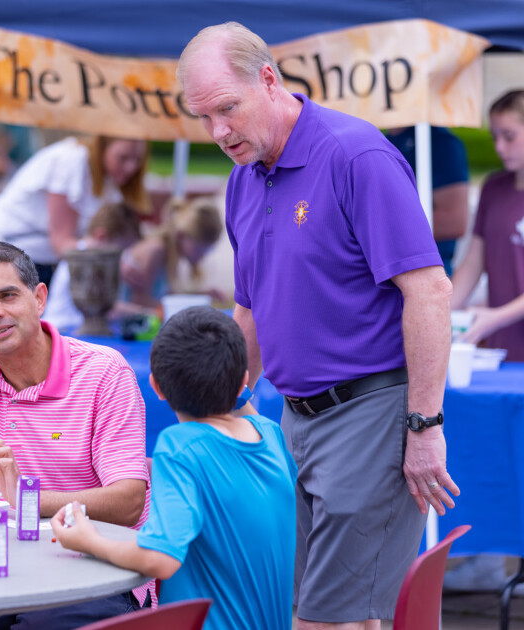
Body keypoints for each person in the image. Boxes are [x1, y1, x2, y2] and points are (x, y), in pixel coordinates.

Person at [178, 23, 456, 629]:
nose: (218, 132)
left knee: (325, 621)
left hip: (372, 413)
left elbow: (430, 291)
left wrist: (425, 425)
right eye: (203, 117)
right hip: (292, 419)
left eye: (228, 108)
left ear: (269, 80)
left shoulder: (356, 155)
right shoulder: (241, 179)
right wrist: (225, 404)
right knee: (302, 609)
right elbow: (248, 310)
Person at [0, 241, 154, 626]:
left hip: (99, 576)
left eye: (7, 295)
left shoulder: (104, 373)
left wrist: (24, 499)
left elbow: (129, 501)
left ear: (39, 298)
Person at [53, 306, 296, 630]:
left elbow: (160, 558)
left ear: (156, 387)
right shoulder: (270, 435)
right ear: (244, 383)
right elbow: (235, 431)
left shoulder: (179, 447)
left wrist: (88, 540)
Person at [0, 135, 151, 285]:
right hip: (0, 256)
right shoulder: (72, 160)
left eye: (137, 160)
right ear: (102, 146)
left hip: (34, 259)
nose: (131, 167)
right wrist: (110, 254)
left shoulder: (110, 183)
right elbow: (61, 244)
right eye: (123, 158)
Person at [451, 90, 524, 361]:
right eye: (495, 137)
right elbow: (473, 262)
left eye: (509, 136)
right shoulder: (493, 188)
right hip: (501, 349)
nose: (499, 148)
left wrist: (497, 317)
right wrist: (441, 311)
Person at [43, 201, 142, 332]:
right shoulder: (83, 259)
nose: (121, 259)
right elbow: (102, 305)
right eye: (120, 252)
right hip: (64, 327)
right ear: (101, 236)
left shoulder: (85, 254)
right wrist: (144, 312)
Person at [115, 197, 224, 313]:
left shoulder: (170, 255)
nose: (202, 256)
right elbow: (139, 301)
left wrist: (200, 294)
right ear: (181, 235)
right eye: (200, 248)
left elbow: (164, 296)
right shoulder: (156, 250)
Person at [385, 126, 470, 275]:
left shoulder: (442, 142)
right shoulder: (382, 140)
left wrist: (377, 231)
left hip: (425, 270)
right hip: (384, 269)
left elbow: (454, 222)